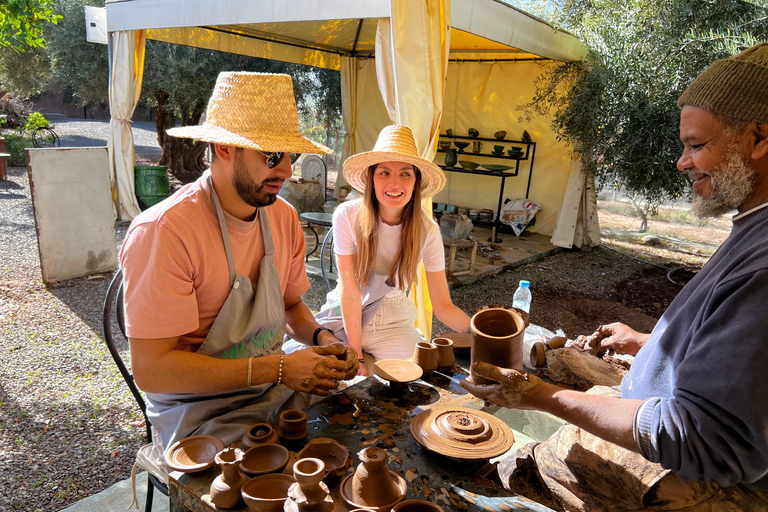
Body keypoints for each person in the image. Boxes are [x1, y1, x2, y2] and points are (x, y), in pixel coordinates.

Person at [462, 42, 768, 511]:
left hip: (703, 478)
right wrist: (652, 344)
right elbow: (742, 366)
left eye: (697, 145)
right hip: (668, 423)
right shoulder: (755, 224)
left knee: (512, 467)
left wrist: (544, 398)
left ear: (759, 138)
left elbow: (705, 440)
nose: (683, 162)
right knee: (559, 373)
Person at [119, 72, 358, 451]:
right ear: (224, 147)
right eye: (272, 155)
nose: (286, 170)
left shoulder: (282, 217)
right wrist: (279, 368)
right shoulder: (165, 232)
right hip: (199, 408)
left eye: (290, 155)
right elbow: (153, 370)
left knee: (356, 426)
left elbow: (291, 305)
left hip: (271, 381)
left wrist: (322, 338)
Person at [286, 125, 470, 376]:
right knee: (306, 369)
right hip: (345, 315)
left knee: (420, 377)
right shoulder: (347, 216)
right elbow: (350, 292)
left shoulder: (427, 230)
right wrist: (357, 356)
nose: (394, 183)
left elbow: (443, 307)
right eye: (384, 172)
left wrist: (480, 333)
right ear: (372, 178)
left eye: (405, 174)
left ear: (416, 182)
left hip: (393, 322)